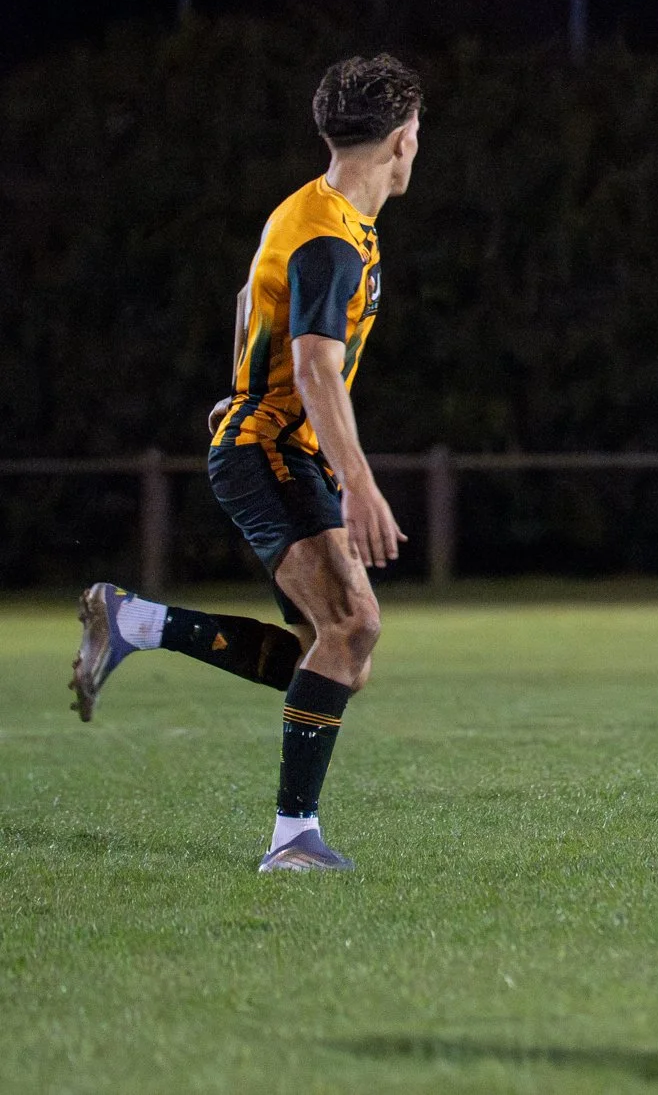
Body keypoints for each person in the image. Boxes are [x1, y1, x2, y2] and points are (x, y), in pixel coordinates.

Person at [68, 54, 421, 872]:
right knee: (354, 626)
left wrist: (235, 385)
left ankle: (136, 622)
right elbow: (314, 368)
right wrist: (361, 484)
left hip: (267, 444)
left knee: (333, 656)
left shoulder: (314, 210)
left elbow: (245, 302)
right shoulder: (331, 238)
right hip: (273, 453)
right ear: (405, 141)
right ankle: (292, 840)